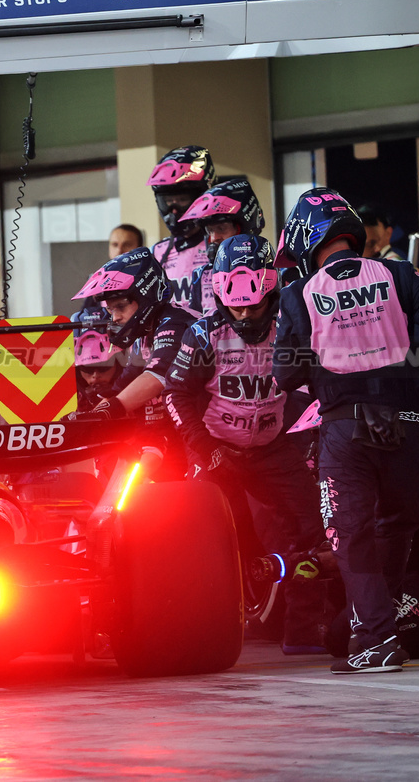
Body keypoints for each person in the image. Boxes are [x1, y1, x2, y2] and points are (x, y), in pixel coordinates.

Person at [273, 187, 419, 674]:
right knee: (397, 525)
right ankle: (375, 629)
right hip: (407, 429)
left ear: (304, 241)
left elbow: (284, 375)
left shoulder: (298, 294)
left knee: (351, 535)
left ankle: (375, 637)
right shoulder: (399, 273)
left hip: (345, 432)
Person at [164, 235, 327, 653]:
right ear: (220, 295)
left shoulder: (293, 325)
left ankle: (303, 632)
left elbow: (317, 382)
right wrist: (203, 448)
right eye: (236, 305)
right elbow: (175, 395)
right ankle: (208, 630)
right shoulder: (203, 335)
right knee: (209, 541)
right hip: (218, 450)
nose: (245, 314)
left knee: (313, 532)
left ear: (271, 292)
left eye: (254, 305)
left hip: (273, 448)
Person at [71, 248, 195, 475]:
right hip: (176, 431)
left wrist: (109, 409)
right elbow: (128, 379)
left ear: (146, 295)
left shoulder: (175, 321)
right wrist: (84, 416)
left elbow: (158, 376)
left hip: (204, 434)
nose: (115, 317)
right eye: (110, 309)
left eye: (120, 306)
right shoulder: (145, 330)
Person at [175, 179, 266, 316]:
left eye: (221, 228)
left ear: (245, 226)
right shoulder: (202, 275)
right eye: (209, 230)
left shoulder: (272, 269)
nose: (214, 237)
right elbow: (195, 324)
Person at [148, 146, 217, 310]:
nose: (174, 210)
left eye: (182, 199)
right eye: (168, 201)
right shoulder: (156, 253)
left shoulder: (224, 245)